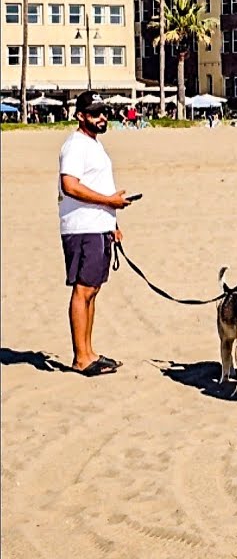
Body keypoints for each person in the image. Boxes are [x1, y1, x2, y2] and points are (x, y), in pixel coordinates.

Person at [59, 92, 135, 376]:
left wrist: (111, 223)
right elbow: (70, 186)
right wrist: (109, 203)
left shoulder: (93, 145)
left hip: (98, 225)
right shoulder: (75, 145)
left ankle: (89, 352)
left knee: (93, 289)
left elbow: (97, 184)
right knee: (83, 289)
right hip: (82, 227)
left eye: (103, 112)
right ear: (80, 116)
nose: (102, 117)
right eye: (94, 113)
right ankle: (81, 358)